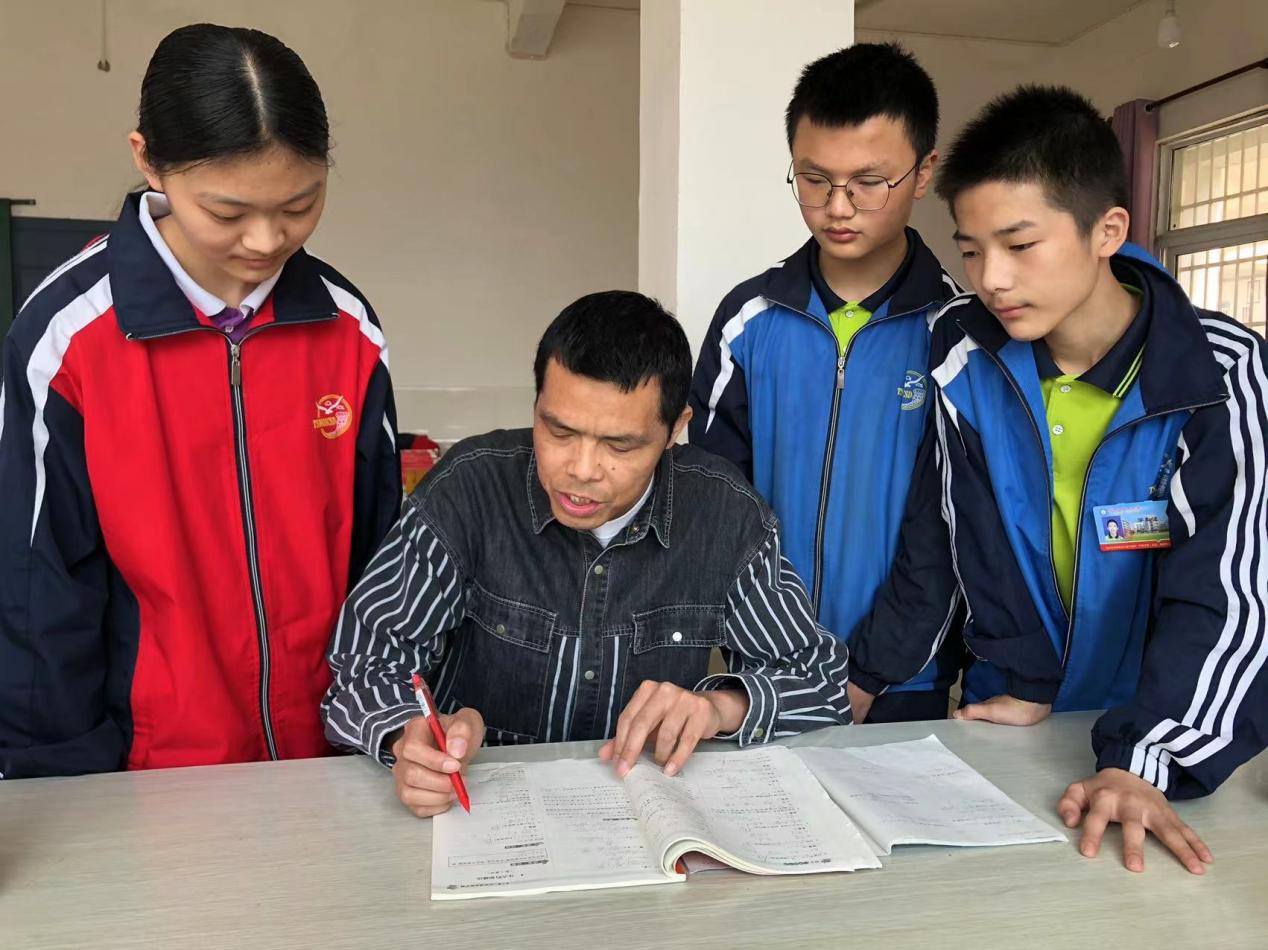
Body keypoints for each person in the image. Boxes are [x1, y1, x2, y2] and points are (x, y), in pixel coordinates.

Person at [847, 85, 1267, 874]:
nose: (992, 279)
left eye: (1019, 244)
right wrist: (876, 674)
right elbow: (952, 534)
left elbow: (1230, 589)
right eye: (972, 251)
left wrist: (1146, 756)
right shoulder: (961, 353)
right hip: (1017, 721)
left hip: (1168, 738)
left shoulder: (1223, 372)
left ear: (1107, 230)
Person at [0, 24, 400, 778]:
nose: (266, 240)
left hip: (331, 754)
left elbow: (382, 558)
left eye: (300, 204)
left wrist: (386, 722)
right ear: (148, 160)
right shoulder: (68, 338)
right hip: (150, 769)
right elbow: (36, 586)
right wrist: (55, 784)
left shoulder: (348, 330)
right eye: (227, 212)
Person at [321, 291, 852, 817]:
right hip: (478, 813)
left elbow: (822, 686)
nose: (581, 470)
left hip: (647, 815)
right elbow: (364, 664)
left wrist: (719, 707)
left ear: (676, 428)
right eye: (558, 431)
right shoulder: (469, 488)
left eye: (620, 446)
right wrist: (406, 737)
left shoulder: (724, 513)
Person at [688, 43, 962, 723]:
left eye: (869, 182)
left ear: (924, 172)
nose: (838, 207)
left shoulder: (958, 336)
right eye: (814, 179)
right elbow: (715, 498)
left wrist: (868, 672)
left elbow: (947, 528)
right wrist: (766, 646)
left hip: (903, 679)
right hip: (765, 669)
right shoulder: (748, 320)